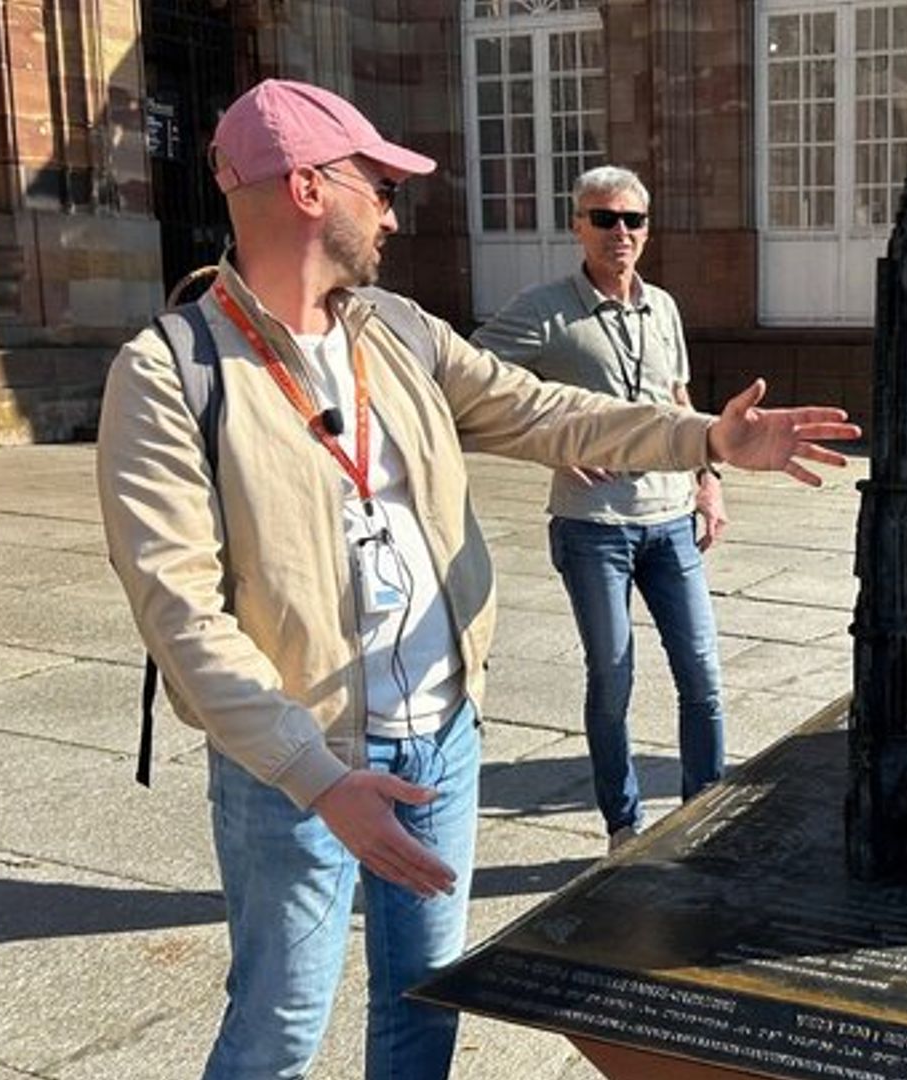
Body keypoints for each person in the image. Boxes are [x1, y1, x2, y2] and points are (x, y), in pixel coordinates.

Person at [94, 78, 858, 1080]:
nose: (395, 212)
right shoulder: (168, 373)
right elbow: (181, 614)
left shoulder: (398, 330)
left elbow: (547, 411)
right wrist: (318, 780)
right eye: (378, 184)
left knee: (426, 1008)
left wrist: (705, 436)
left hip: (442, 742)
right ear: (311, 189)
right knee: (280, 1025)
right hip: (295, 764)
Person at [471, 166, 727, 854]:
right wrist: (548, 446)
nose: (621, 232)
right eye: (604, 218)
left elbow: (679, 401)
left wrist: (707, 480)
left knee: (702, 675)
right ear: (578, 225)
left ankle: (704, 814)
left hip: (671, 519)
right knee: (612, 676)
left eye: (633, 220)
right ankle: (622, 824)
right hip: (594, 527)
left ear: (647, 229)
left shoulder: (663, 307)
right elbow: (473, 378)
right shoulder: (546, 308)